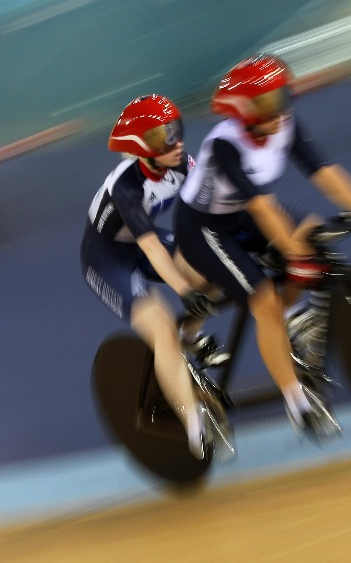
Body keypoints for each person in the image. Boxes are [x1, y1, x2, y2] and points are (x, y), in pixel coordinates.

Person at [174, 55, 351, 443]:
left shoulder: (285, 124)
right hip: (204, 228)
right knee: (264, 299)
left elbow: (325, 172)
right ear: (242, 111)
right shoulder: (225, 145)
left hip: (242, 213)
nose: (280, 109)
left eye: (280, 96)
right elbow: (262, 207)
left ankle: (286, 319)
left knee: (313, 234)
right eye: (267, 102)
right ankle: (297, 401)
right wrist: (294, 254)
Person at [81, 94, 229, 459]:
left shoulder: (181, 165)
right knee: (160, 326)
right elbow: (150, 248)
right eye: (163, 137)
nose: (176, 142)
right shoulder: (125, 186)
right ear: (141, 149)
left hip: (140, 242)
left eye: (175, 131)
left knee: (216, 269)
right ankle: (192, 424)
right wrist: (183, 289)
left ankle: (189, 337)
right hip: (107, 260)